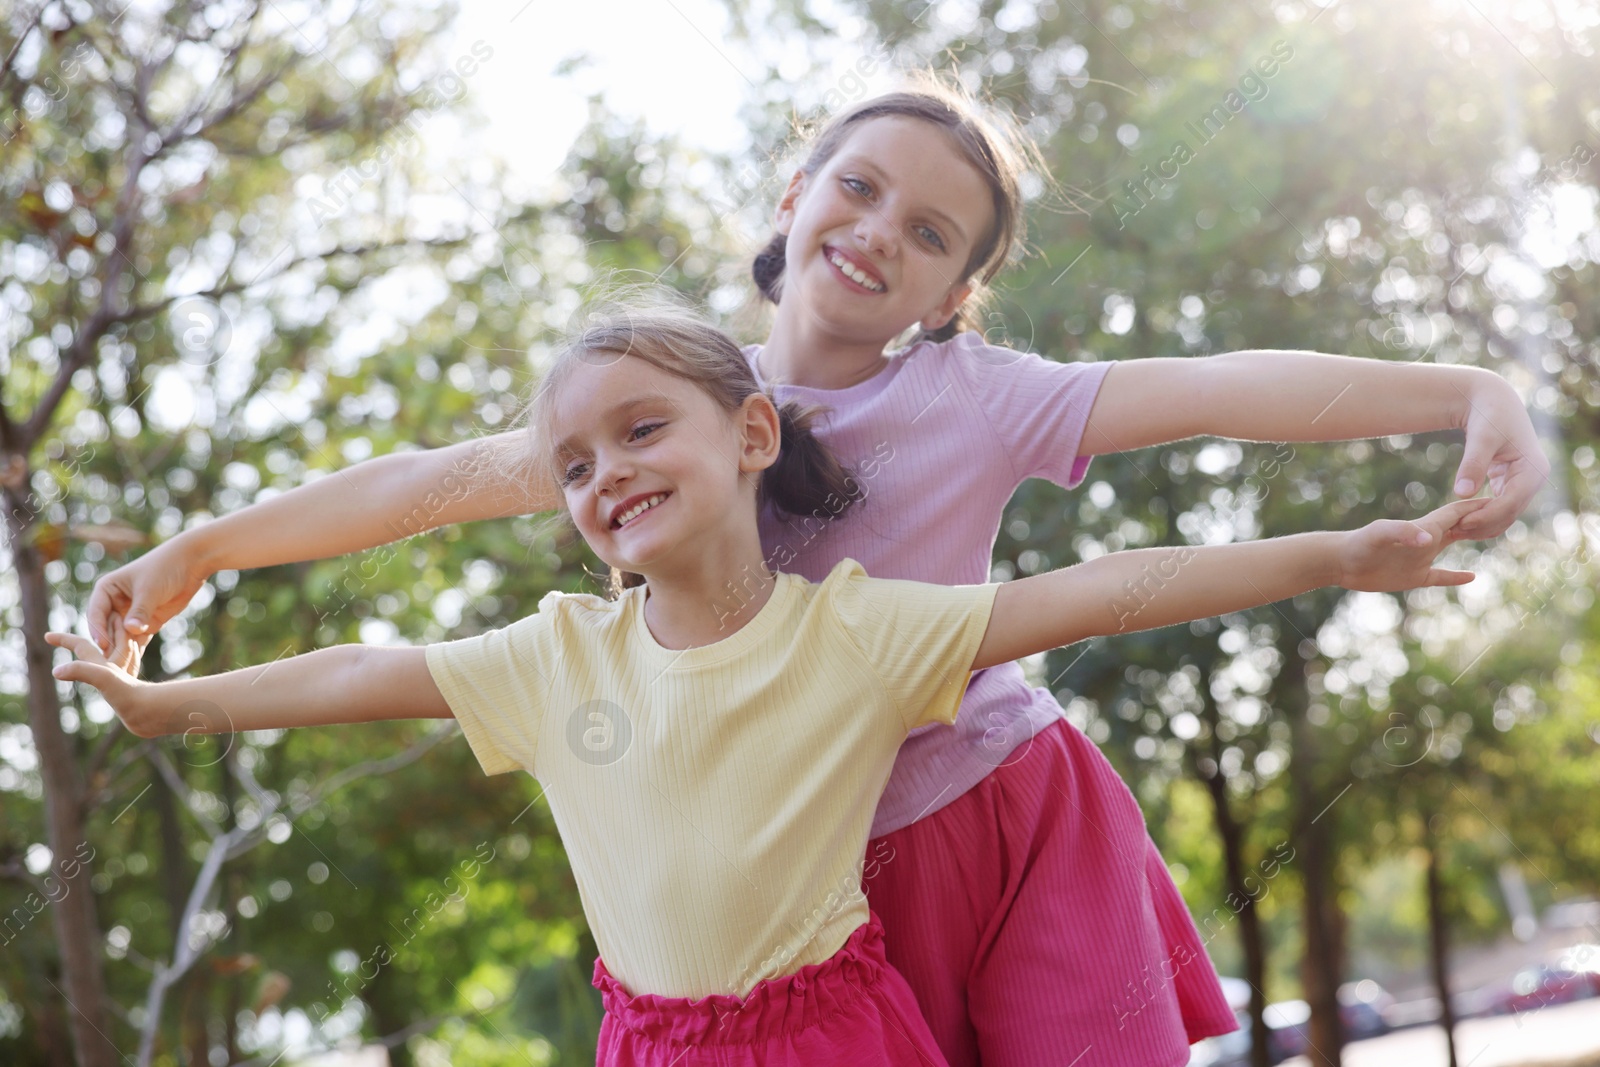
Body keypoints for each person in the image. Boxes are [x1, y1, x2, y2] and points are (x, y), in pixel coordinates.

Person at [86, 80, 1547, 1067]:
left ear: (956, 290)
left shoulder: (980, 395)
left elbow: (1224, 385)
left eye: (929, 235)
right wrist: (203, 547)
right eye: (858, 188)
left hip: (1006, 811)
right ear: (794, 194)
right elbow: (416, 487)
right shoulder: (656, 413)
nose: (877, 236)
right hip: (820, 882)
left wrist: (1460, 390)